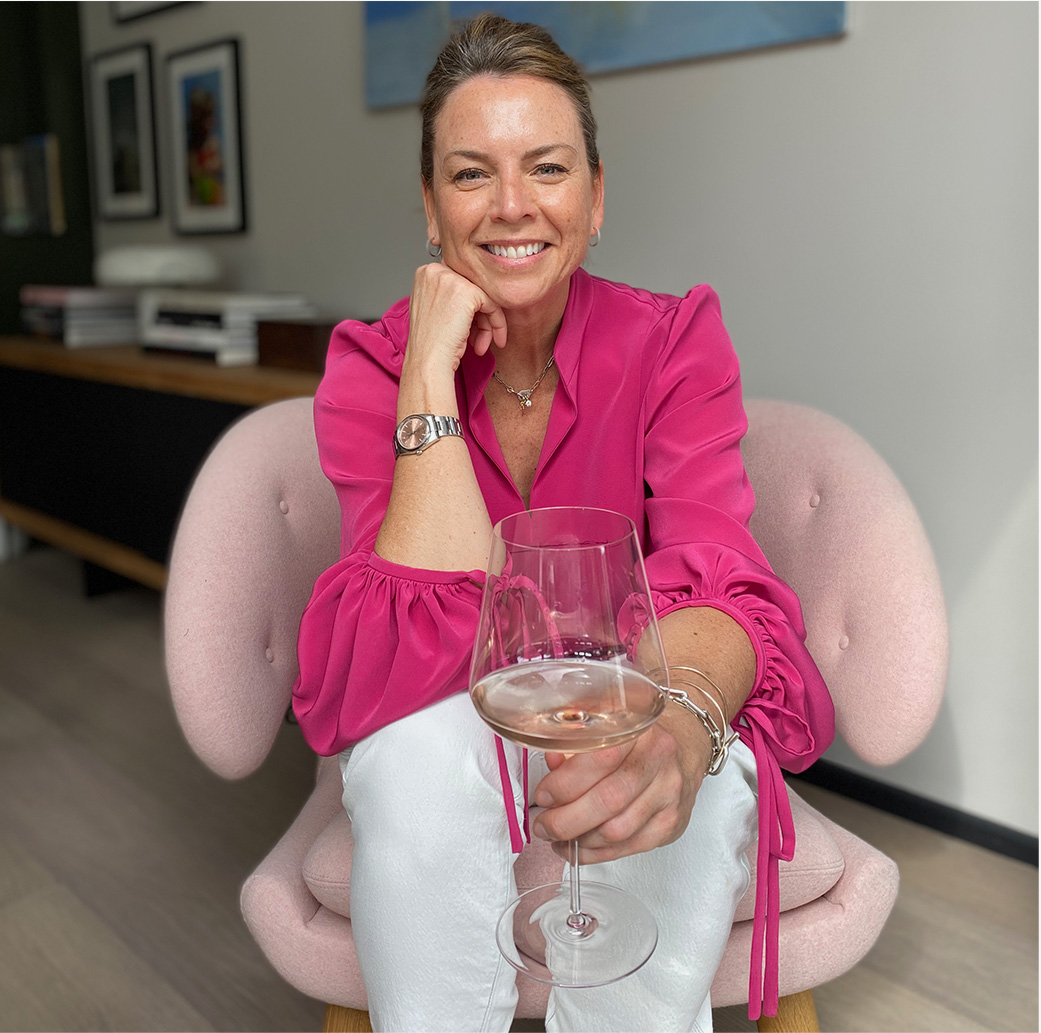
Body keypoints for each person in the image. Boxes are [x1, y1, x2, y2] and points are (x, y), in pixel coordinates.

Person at [293, 14, 834, 1032]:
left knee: (697, 769)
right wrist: (427, 378)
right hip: (451, 716)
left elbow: (718, 579)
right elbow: (403, 646)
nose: (510, 207)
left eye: (546, 167)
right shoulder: (375, 363)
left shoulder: (672, 342)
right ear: (428, 205)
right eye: (468, 174)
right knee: (415, 758)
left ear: (594, 199)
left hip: (626, 681)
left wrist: (681, 719)